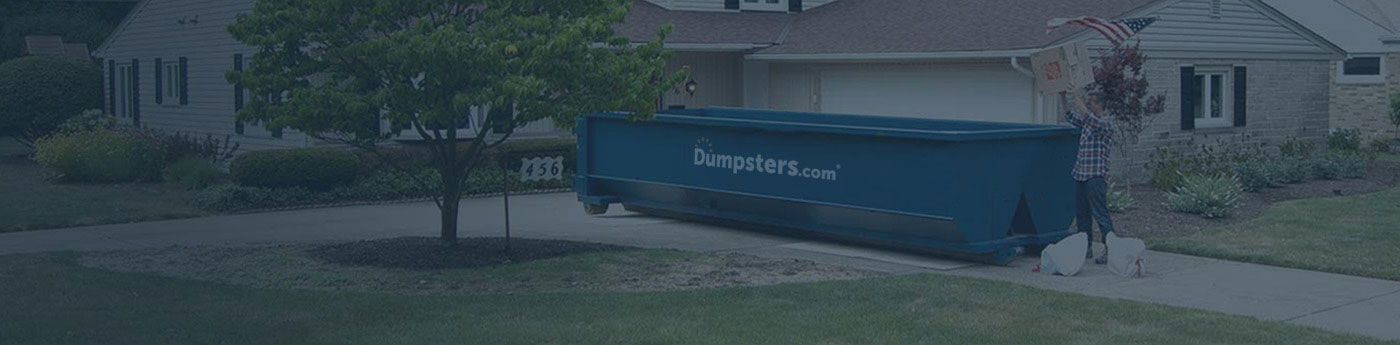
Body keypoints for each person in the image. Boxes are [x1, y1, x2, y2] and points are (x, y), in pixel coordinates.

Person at [1061, 82, 1114, 265]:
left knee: (1100, 214)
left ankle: (1111, 249)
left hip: (1095, 176)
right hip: (1081, 174)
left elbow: (1087, 116)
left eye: (1092, 102)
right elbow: (1070, 116)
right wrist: (1062, 96)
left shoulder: (1105, 123)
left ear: (1101, 104)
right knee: (1082, 215)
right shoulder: (1087, 122)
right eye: (1089, 101)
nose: (1089, 104)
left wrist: (1076, 96)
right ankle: (1086, 248)